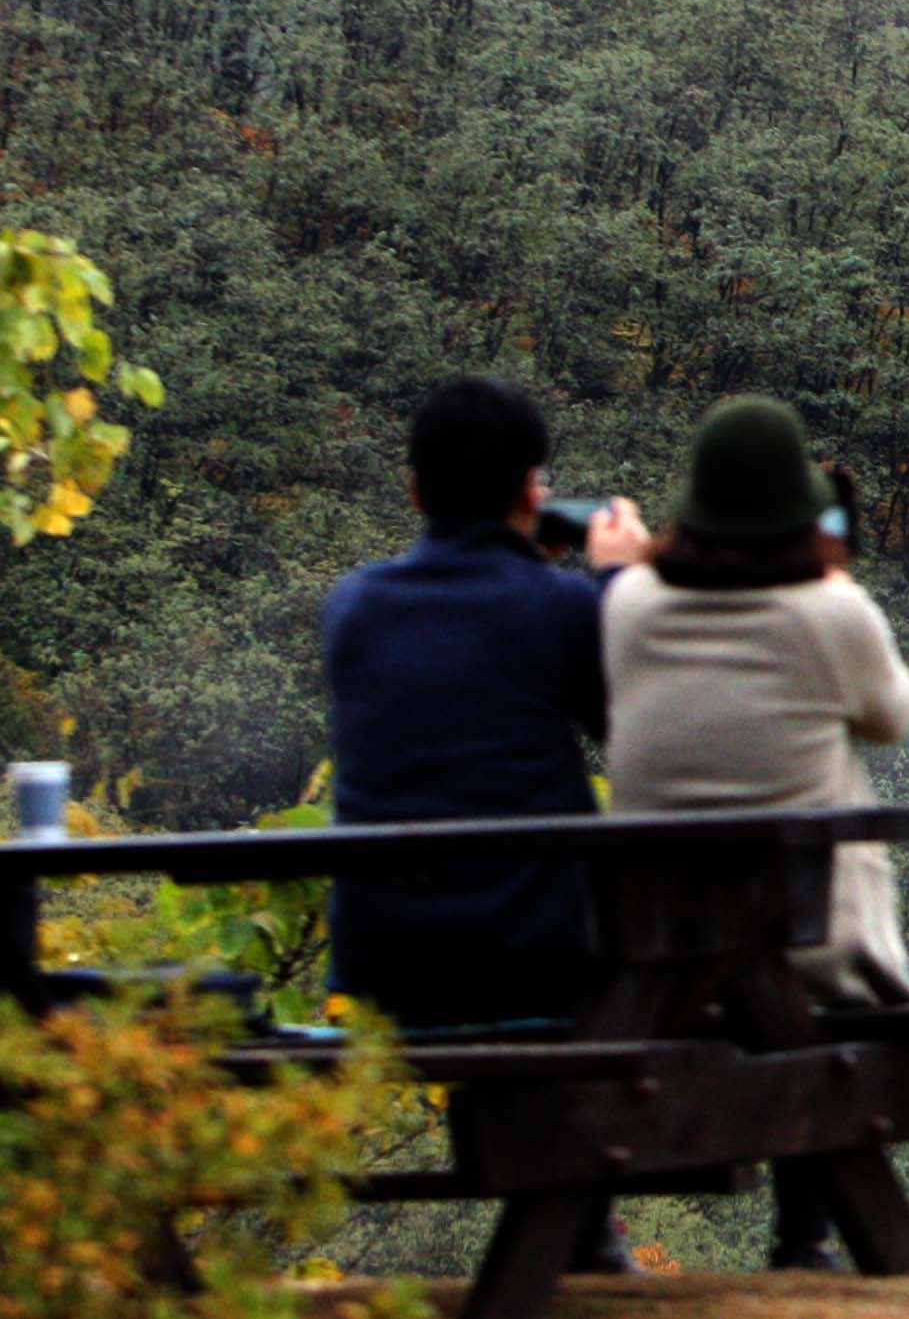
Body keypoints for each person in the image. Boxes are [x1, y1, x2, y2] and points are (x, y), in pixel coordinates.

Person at [603, 395, 909, 1271]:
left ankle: (809, 1239)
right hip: (815, 957)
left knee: (774, 946)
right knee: (801, 975)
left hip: (651, 957)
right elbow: (893, 715)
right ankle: (803, 1240)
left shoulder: (626, 606)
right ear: (802, 516)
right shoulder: (828, 614)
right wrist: (837, 579)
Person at [319, 372, 650, 1271]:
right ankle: (581, 1229)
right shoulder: (560, 608)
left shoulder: (352, 607)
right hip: (531, 960)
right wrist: (616, 583)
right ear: (533, 490)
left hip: (384, 966)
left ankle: (579, 1228)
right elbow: (631, 728)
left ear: (415, 489)